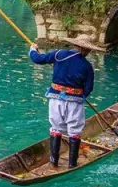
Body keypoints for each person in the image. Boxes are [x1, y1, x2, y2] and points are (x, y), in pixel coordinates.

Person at [28, 38, 98, 169]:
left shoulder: (58, 54)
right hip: (75, 102)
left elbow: (38, 59)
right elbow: (89, 88)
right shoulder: (87, 66)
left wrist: (33, 50)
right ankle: (72, 164)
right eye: (88, 50)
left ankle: (53, 162)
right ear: (84, 49)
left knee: (56, 127)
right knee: (74, 130)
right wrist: (81, 96)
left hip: (56, 99)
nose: (88, 52)